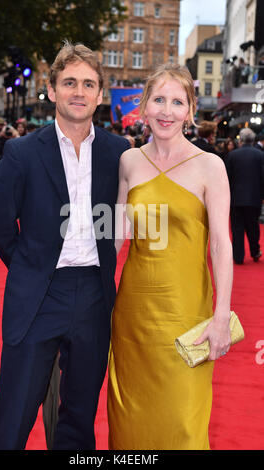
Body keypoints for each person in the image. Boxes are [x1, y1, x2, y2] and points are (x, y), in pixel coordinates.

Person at [0, 41, 129, 450]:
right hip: (39, 296)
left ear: (100, 94)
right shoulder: (21, 152)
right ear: (51, 90)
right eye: (69, 82)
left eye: (88, 83)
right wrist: (31, 266)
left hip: (95, 299)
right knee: (14, 414)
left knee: (79, 419)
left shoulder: (118, 152)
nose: (79, 92)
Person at [107, 63, 233, 450]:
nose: (167, 110)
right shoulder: (129, 161)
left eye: (177, 102)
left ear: (190, 110)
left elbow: (220, 245)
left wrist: (222, 317)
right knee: (129, 423)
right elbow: (115, 236)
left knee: (182, 424)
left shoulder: (211, 166)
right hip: (132, 317)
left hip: (186, 315)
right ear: (144, 106)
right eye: (158, 99)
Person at [225, 128, 264, 265]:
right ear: (253, 140)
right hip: (254, 198)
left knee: (237, 228)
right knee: (253, 227)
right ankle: (255, 251)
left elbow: (227, 178)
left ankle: (238, 256)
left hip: (235, 198)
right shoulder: (260, 155)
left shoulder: (232, 155)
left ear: (240, 140)